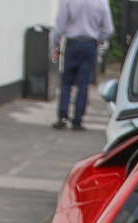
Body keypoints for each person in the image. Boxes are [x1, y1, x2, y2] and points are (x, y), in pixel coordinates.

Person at [50, 0, 114, 130]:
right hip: (90, 44)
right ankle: (78, 120)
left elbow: (60, 24)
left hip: (72, 44)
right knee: (83, 83)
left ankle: (62, 117)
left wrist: (55, 44)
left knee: (66, 82)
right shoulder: (101, 2)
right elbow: (108, 29)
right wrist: (99, 40)